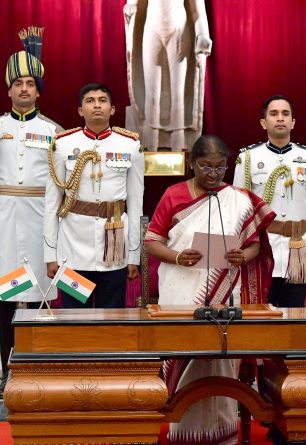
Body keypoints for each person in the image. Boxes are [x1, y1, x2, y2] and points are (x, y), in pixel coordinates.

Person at [144, 135, 275, 445]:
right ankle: (183, 436)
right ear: (192, 164)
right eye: (207, 167)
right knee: (186, 358)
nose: (214, 174)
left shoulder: (239, 198)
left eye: (221, 167)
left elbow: (255, 243)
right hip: (181, 290)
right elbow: (151, 241)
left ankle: (222, 435)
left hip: (226, 294)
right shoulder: (173, 195)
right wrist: (178, 256)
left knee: (221, 360)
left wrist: (244, 256)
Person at [0, 26, 62, 396]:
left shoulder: (55, 132)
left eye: (30, 83)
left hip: (41, 219)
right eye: (17, 83)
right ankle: (5, 366)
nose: (24, 89)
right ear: (8, 90)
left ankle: (38, 366)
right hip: (4, 221)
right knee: (4, 297)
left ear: (39, 90)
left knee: (40, 296)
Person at [44, 83, 144, 308]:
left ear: (113, 109)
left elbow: (136, 204)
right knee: (74, 320)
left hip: (114, 250)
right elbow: (51, 204)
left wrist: (133, 257)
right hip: (72, 250)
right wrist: (50, 255)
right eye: (90, 101)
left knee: (111, 320)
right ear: (80, 110)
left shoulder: (130, 145)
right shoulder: (62, 145)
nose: (96, 105)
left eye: (102, 100)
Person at [233, 95, 306, 307]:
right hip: (262, 249)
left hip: (297, 250)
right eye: (274, 114)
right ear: (264, 123)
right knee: (260, 314)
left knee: (295, 315)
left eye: (285, 114)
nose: (280, 118)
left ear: (293, 122)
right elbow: (237, 211)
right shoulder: (247, 158)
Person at [124, 0, 212, 151]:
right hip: (152, 28)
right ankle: (148, 149)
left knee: (178, 96)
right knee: (151, 95)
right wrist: (131, 5)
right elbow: (133, 4)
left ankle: (178, 151)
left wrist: (203, 33)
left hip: (179, 30)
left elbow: (197, 10)